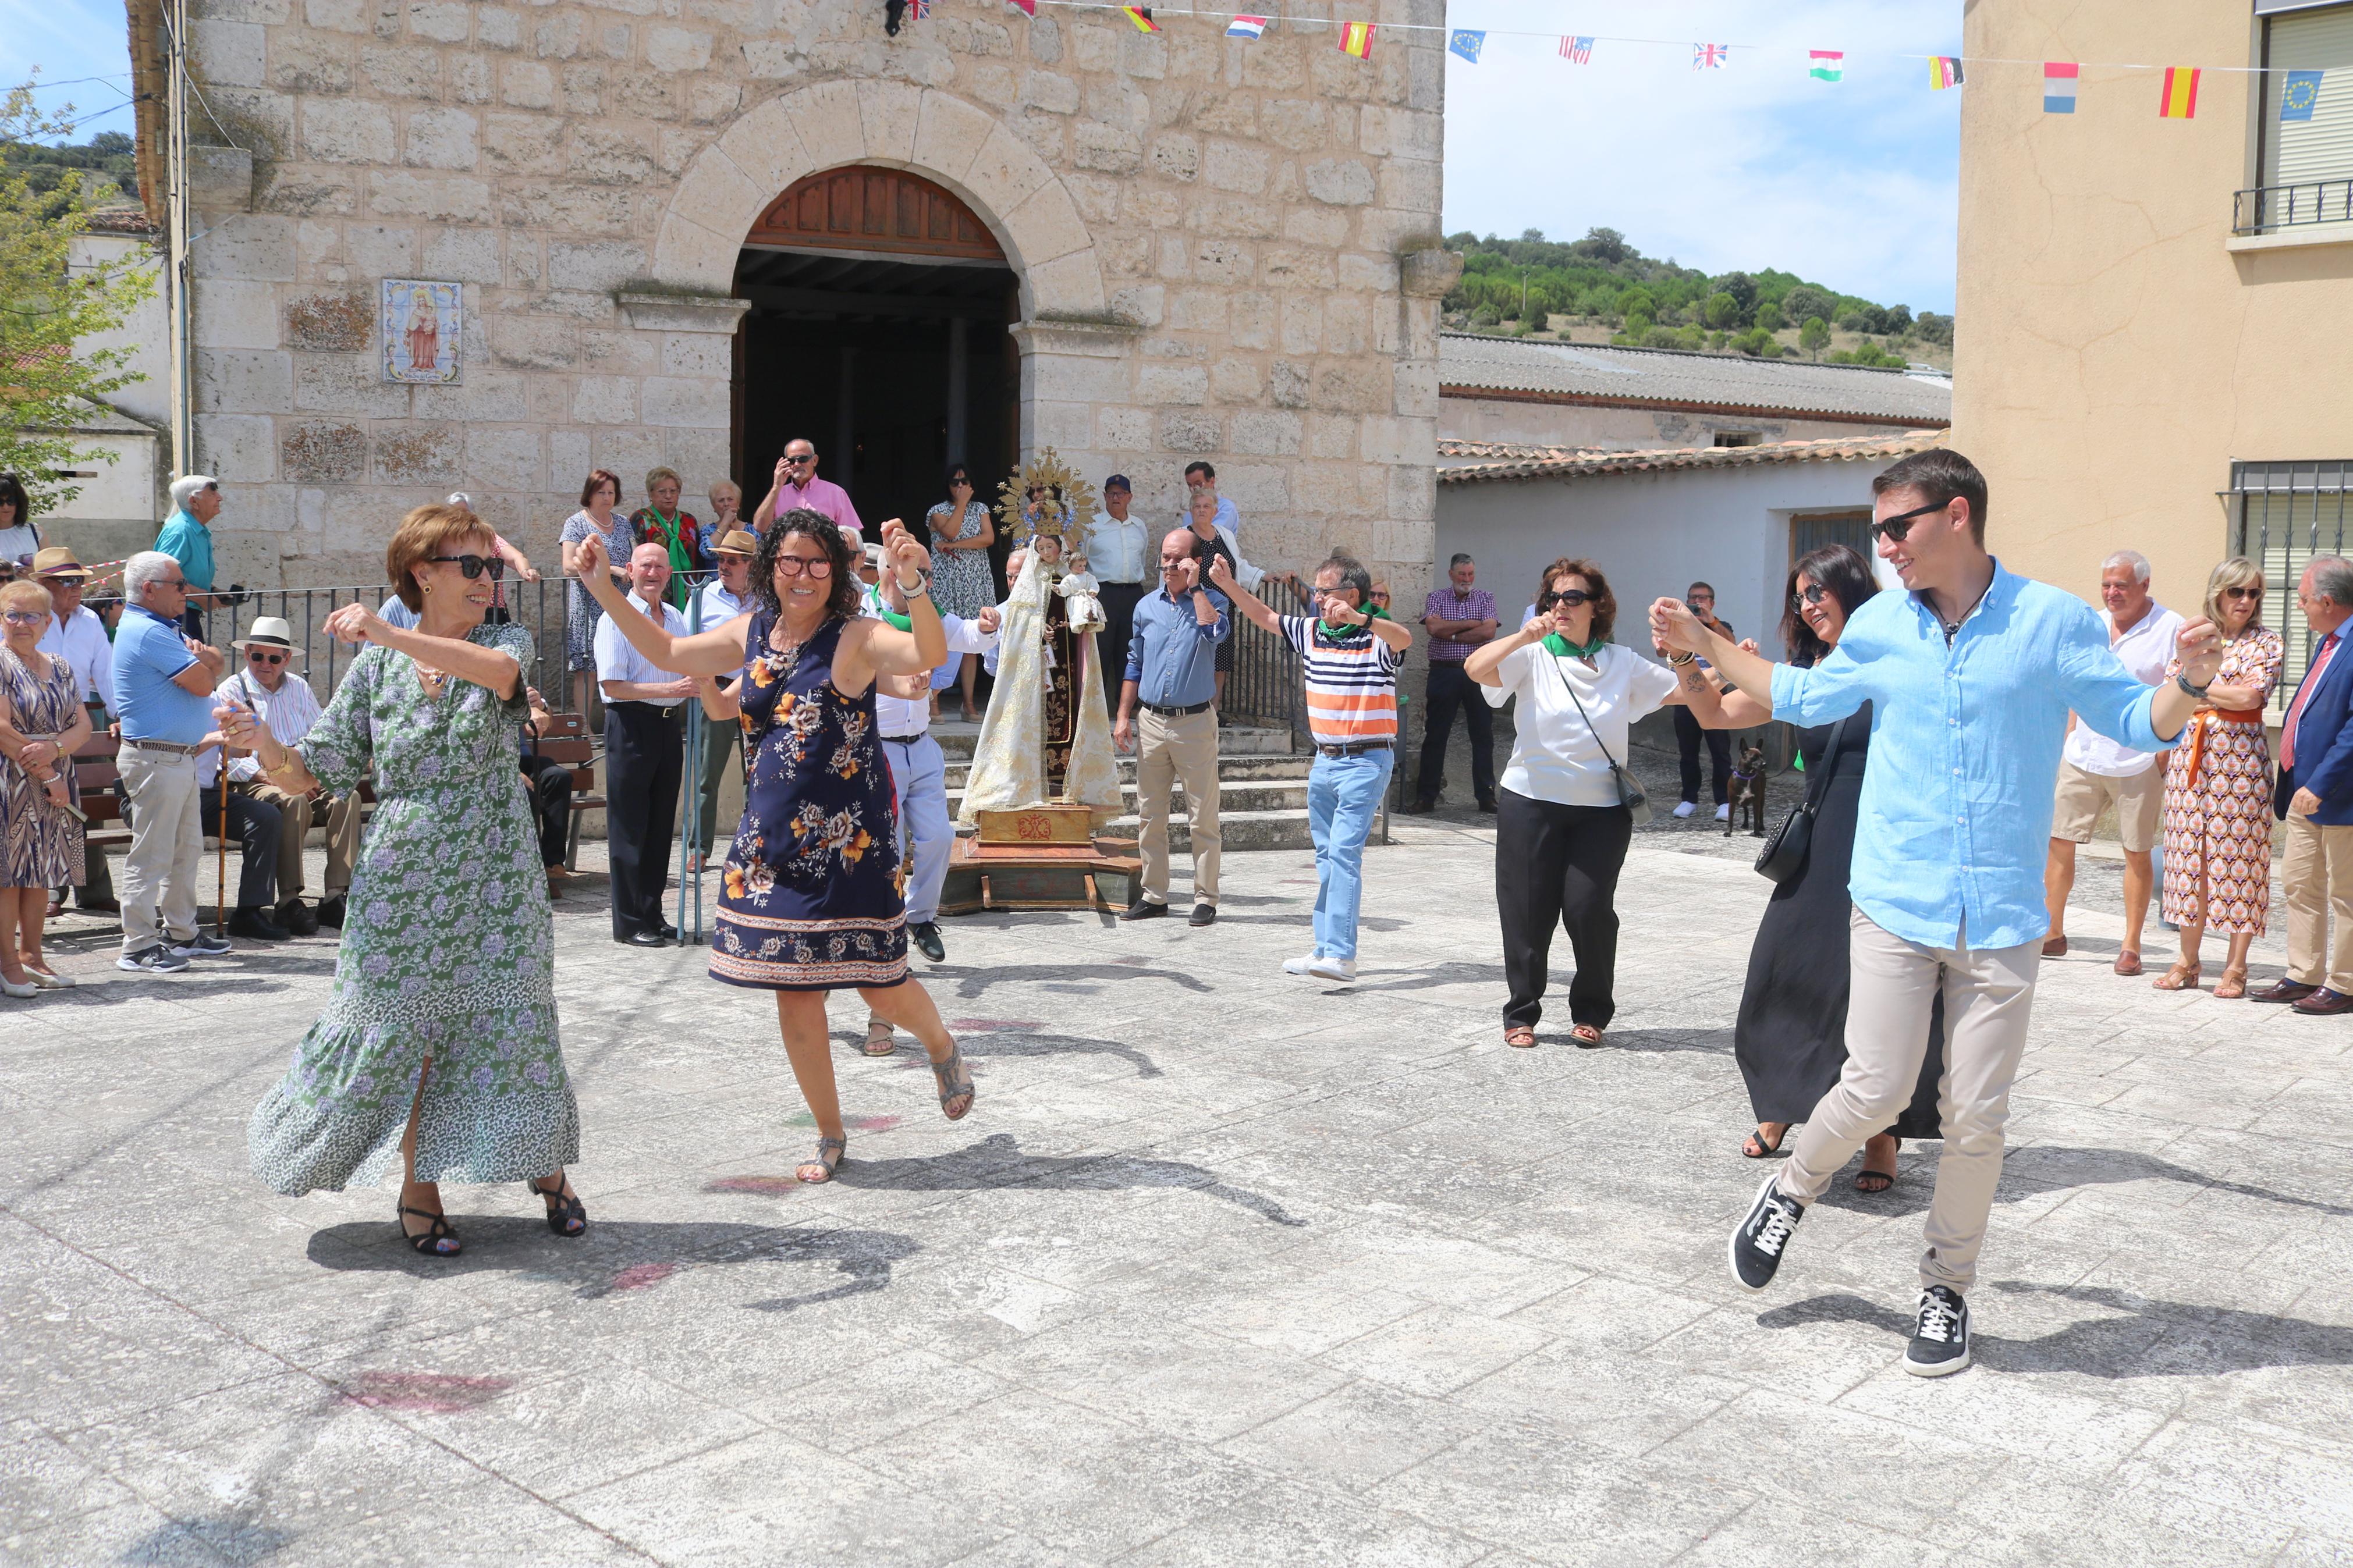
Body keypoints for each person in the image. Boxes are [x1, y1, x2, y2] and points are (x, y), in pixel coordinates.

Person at [1655, 447, 2221, 1377]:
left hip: (2000, 911)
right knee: (1874, 1085)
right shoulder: (1879, 625)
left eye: (1894, 527)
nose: (1882, 546)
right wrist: (1700, 639)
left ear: (1954, 515)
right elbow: (1795, 694)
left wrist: (2188, 682)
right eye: (1876, 529)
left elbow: (2132, 720)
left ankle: (1943, 1287)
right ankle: (1789, 1187)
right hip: (1892, 896)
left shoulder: (2050, 621)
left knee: (1975, 1117)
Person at [226, 503, 585, 1256]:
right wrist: (263, 741)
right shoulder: (376, 668)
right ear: (422, 572)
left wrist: (390, 630)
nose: (490, 578)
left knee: (509, 1021)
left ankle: (545, 1168)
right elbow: (311, 772)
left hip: (495, 871)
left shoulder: (500, 639)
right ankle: (418, 1188)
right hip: (401, 876)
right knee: (401, 1030)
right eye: (473, 565)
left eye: (492, 565)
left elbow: (501, 676)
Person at [574, 512, 976, 1184]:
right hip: (771, 846)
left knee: (877, 985)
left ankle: (940, 1046)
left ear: (836, 571)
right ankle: (829, 1133)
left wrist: (914, 584)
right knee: (794, 995)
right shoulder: (752, 632)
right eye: (791, 561)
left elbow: (929, 655)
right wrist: (602, 591)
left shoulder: (854, 636)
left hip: (849, 845)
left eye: (819, 562)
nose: (804, 574)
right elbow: (673, 654)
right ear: (771, 568)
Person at [1675, 545, 1940, 1192]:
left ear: (1852, 589)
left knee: (1874, 989)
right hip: (1820, 844)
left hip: (1887, 843)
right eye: (1798, 596)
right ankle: (1782, 1106)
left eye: (1817, 591)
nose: (1807, 604)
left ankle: (1882, 1134)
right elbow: (1714, 712)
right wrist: (1689, 655)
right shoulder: (1805, 671)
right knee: (1781, 969)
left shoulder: (1893, 661)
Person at [1468, 558, 1687, 1049]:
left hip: (1602, 809)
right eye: (1553, 597)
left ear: (1597, 606)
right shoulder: (1532, 654)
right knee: (1526, 909)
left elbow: (1680, 690)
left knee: (1589, 908)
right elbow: (1475, 668)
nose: (1560, 606)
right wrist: (1525, 635)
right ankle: (1520, 1012)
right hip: (1531, 800)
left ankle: (1591, 1010)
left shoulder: (1621, 660)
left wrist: (1726, 664)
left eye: (1572, 598)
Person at [1210, 550, 1408, 981]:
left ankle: (1340, 954)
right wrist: (1228, 585)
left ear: (1350, 594)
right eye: (1316, 591)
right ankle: (1323, 948)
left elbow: (1404, 639)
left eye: (1324, 591)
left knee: (1343, 853)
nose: (1316, 598)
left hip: (1366, 759)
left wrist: (1362, 620)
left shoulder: (1376, 640)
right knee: (1326, 855)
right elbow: (1264, 616)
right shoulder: (1310, 632)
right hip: (1324, 760)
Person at [863, 566, 1000, 1054]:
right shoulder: (863, 616)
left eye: (925, 576)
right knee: (890, 849)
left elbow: (971, 637)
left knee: (940, 837)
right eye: (910, 576)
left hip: (920, 744)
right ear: (886, 579)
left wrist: (986, 626)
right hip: (877, 746)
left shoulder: (931, 616)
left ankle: (920, 918)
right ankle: (884, 940)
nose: (922, 584)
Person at [2042, 550, 2185, 976]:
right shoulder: (2092, 623)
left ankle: (2130, 945)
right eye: (2106, 584)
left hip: (2137, 758)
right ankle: (2052, 932)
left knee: (2136, 853)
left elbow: (2177, 690)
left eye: (2120, 585)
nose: (2111, 593)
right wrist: (2069, 733)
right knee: (2057, 841)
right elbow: (2071, 680)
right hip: (2083, 752)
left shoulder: (2169, 626)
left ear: (2143, 584)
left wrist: (2162, 753)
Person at [2150, 558, 2281, 998]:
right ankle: (2187, 960)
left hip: (2240, 769)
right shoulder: (2194, 637)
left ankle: (2236, 966)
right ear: (2218, 591)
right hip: (2190, 765)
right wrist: (2199, 695)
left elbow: (2250, 695)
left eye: (2254, 593)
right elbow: (2170, 688)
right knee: (2190, 863)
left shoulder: (2267, 642)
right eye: (2237, 592)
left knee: (2240, 864)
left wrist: (2196, 692)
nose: (2245, 601)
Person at [109, 551, 233, 973]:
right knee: (153, 854)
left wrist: (208, 663)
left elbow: (207, 671)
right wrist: (210, 662)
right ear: (149, 589)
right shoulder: (149, 632)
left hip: (173, 758)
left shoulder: (161, 629)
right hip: (156, 758)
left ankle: (180, 934)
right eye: (179, 584)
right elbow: (203, 681)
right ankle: (138, 945)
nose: (187, 591)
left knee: (185, 851)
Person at [959, 522, 1123, 826]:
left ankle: (1067, 780)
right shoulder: (1029, 580)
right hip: (1034, 669)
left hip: (1069, 660)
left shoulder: (1071, 575)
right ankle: (1027, 779)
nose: (1046, 553)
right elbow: (1020, 624)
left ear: (1061, 547)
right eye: (1041, 548)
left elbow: (1084, 605)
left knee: (1070, 714)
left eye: (1052, 547)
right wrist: (1038, 631)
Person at [217, 616, 363, 934]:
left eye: (273, 658)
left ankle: (336, 896)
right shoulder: (232, 690)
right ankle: (288, 901)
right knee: (293, 800)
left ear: (286, 660)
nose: (265, 664)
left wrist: (317, 775)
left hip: (301, 774)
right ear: (247, 655)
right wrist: (271, 776)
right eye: (258, 656)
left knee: (347, 796)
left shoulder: (299, 687)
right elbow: (223, 755)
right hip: (255, 782)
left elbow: (321, 738)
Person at [2253, 555, 2353, 1014]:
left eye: (2304, 599)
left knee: (2345, 894)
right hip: (2303, 790)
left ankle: (2345, 983)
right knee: (2299, 885)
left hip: (2338, 795)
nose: (2300, 607)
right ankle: (2303, 972)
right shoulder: (2329, 641)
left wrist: (2322, 782)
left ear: (2328, 601)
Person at [1115, 529, 1230, 926]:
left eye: (1177, 558)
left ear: (1193, 562)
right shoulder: (1146, 606)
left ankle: (1206, 898)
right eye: (1164, 558)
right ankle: (1154, 894)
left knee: (1202, 816)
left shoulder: (1213, 601)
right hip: (1150, 720)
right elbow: (1134, 661)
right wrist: (1122, 715)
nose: (1168, 566)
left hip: (1194, 723)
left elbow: (1216, 634)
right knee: (1150, 814)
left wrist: (1197, 587)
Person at [595, 541, 692, 947]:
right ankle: (631, 921)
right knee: (630, 828)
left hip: (670, 728)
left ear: (669, 574)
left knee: (657, 829)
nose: (653, 573)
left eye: (660, 568)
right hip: (631, 725)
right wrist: (671, 686)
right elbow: (612, 686)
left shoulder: (673, 617)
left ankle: (652, 913)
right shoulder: (614, 618)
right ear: (631, 570)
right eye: (646, 566)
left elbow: (689, 663)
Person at [0, 578, 93, 993]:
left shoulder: (61, 665)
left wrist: (55, 750)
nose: (21, 623)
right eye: (12, 614)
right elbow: (2, 729)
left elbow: (84, 725)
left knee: (40, 872)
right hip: (10, 782)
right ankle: (6, 962)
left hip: (52, 783)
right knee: (9, 875)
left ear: (47, 621)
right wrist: (51, 773)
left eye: (30, 615)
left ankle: (32, 955)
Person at [33, 545, 118, 915]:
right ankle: (52, 891)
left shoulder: (90, 621)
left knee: (91, 802)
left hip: (84, 719)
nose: (77, 587)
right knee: (48, 803)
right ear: (45, 585)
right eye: (67, 581)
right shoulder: (28, 619)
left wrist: (119, 716)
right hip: (36, 722)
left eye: (80, 580)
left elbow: (107, 673)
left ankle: (94, 890)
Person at [684, 529, 757, 872]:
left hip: (758, 693)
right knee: (706, 773)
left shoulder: (768, 599)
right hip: (716, 690)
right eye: (721, 560)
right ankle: (698, 848)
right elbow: (687, 641)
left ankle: (751, 846)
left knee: (755, 774)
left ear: (751, 566)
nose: (723, 566)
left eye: (732, 561)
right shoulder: (703, 596)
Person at [1409, 554, 1500, 814]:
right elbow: (1434, 629)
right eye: (1462, 574)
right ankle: (1427, 796)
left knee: (1483, 735)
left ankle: (1486, 795)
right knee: (1436, 735)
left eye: (1471, 574)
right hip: (1444, 672)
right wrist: (1469, 625)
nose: (1467, 579)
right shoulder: (1436, 597)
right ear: (1451, 574)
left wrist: (1453, 634)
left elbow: (1489, 632)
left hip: (1479, 674)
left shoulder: (1486, 598)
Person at [195, 730, 288, 941]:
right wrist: (213, 738)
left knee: (265, 816)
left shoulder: (215, 704)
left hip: (209, 794)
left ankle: (249, 913)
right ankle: (176, 924)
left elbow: (237, 752)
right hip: (169, 790)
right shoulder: (167, 701)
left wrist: (244, 737)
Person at [925, 463, 997, 723]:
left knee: (972, 643)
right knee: (941, 637)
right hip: (947, 582)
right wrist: (962, 504)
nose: (960, 486)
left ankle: (968, 704)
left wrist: (954, 545)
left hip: (975, 580)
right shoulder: (937, 511)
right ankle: (933, 700)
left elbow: (988, 538)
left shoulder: (982, 509)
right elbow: (950, 529)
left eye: (964, 482)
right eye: (955, 482)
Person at [1183, 486, 1264, 717]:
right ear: (1191, 510)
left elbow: (1237, 564)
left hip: (1223, 609)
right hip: (1193, 608)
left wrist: (1263, 576)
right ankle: (1193, 711)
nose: (1201, 510)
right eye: (1197, 506)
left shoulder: (1224, 535)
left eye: (1206, 506)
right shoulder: (1184, 536)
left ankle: (1212, 711)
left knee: (1221, 661)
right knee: (1196, 657)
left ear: (1215, 511)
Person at [558, 470, 633, 716]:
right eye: (601, 492)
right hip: (589, 606)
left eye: (611, 492)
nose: (607, 497)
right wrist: (609, 569)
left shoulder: (622, 522)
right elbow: (568, 566)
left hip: (620, 603)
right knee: (587, 668)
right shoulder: (576, 523)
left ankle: (620, 721)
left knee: (619, 663)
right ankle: (584, 728)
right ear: (590, 494)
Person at [1670, 581, 1737, 823]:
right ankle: (1689, 799)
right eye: (1692, 598)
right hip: (1687, 695)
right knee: (1688, 751)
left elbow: (1731, 646)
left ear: (1712, 602)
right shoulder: (1681, 627)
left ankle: (1725, 801)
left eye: (1702, 598)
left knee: (1720, 752)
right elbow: (1662, 651)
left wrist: (1712, 622)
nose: (1697, 602)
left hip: (1718, 697)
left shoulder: (1721, 626)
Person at [1089, 475, 1152, 713]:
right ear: (1105, 496)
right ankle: (1096, 708)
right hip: (1102, 593)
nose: (1116, 498)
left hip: (1132, 593)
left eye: (1120, 494)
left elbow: (1142, 558)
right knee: (1100, 650)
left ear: (1129, 498)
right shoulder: (1093, 526)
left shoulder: (1139, 526)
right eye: (1111, 493)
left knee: (1131, 649)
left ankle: (1129, 705)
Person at [154, 475, 230, 638]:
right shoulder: (180, 531)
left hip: (186, 615)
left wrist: (213, 592)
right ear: (194, 502)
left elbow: (185, 574)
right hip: (176, 617)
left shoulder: (197, 530)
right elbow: (162, 577)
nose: (220, 498)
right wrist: (202, 597)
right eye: (212, 494)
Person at [519, 686, 576, 894]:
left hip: (524, 759)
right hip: (495, 759)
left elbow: (547, 721)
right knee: (524, 790)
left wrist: (542, 706)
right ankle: (532, 868)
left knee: (558, 778)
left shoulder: (514, 682)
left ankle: (552, 863)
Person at [755, 438, 863, 544]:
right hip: (787, 559)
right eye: (792, 461)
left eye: (802, 459)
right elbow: (760, 527)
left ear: (815, 460)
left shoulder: (835, 493)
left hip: (824, 560)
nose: (797, 464)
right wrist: (776, 487)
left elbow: (852, 535)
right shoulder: (778, 494)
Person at [630, 465, 707, 610]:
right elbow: (634, 555)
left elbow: (698, 559)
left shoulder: (689, 520)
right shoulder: (641, 519)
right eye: (662, 491)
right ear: (651, 494)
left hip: (687, 590)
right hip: (654, 589)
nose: (668, 496)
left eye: (673, 491)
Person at [1177, 460, 1241, 538]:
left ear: (1212, 482)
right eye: (1190, 485)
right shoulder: (1189, 515)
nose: (1193, 488)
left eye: (1198, 484)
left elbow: (1212, 536)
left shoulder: (1226, 508)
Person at [0, 474, 40, 573]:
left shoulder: (35, 532)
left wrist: (34, 575)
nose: (6, 507)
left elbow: (51, 574)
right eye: (0, 502)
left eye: (11, 501)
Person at [700, 477, 746, 558]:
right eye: (721, 500)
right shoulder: (707, 530)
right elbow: (707, 553)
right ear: (714, 506)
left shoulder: (752, 530)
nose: (726, 504)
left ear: (738, 503)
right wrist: (725, 523)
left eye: (730, 499)